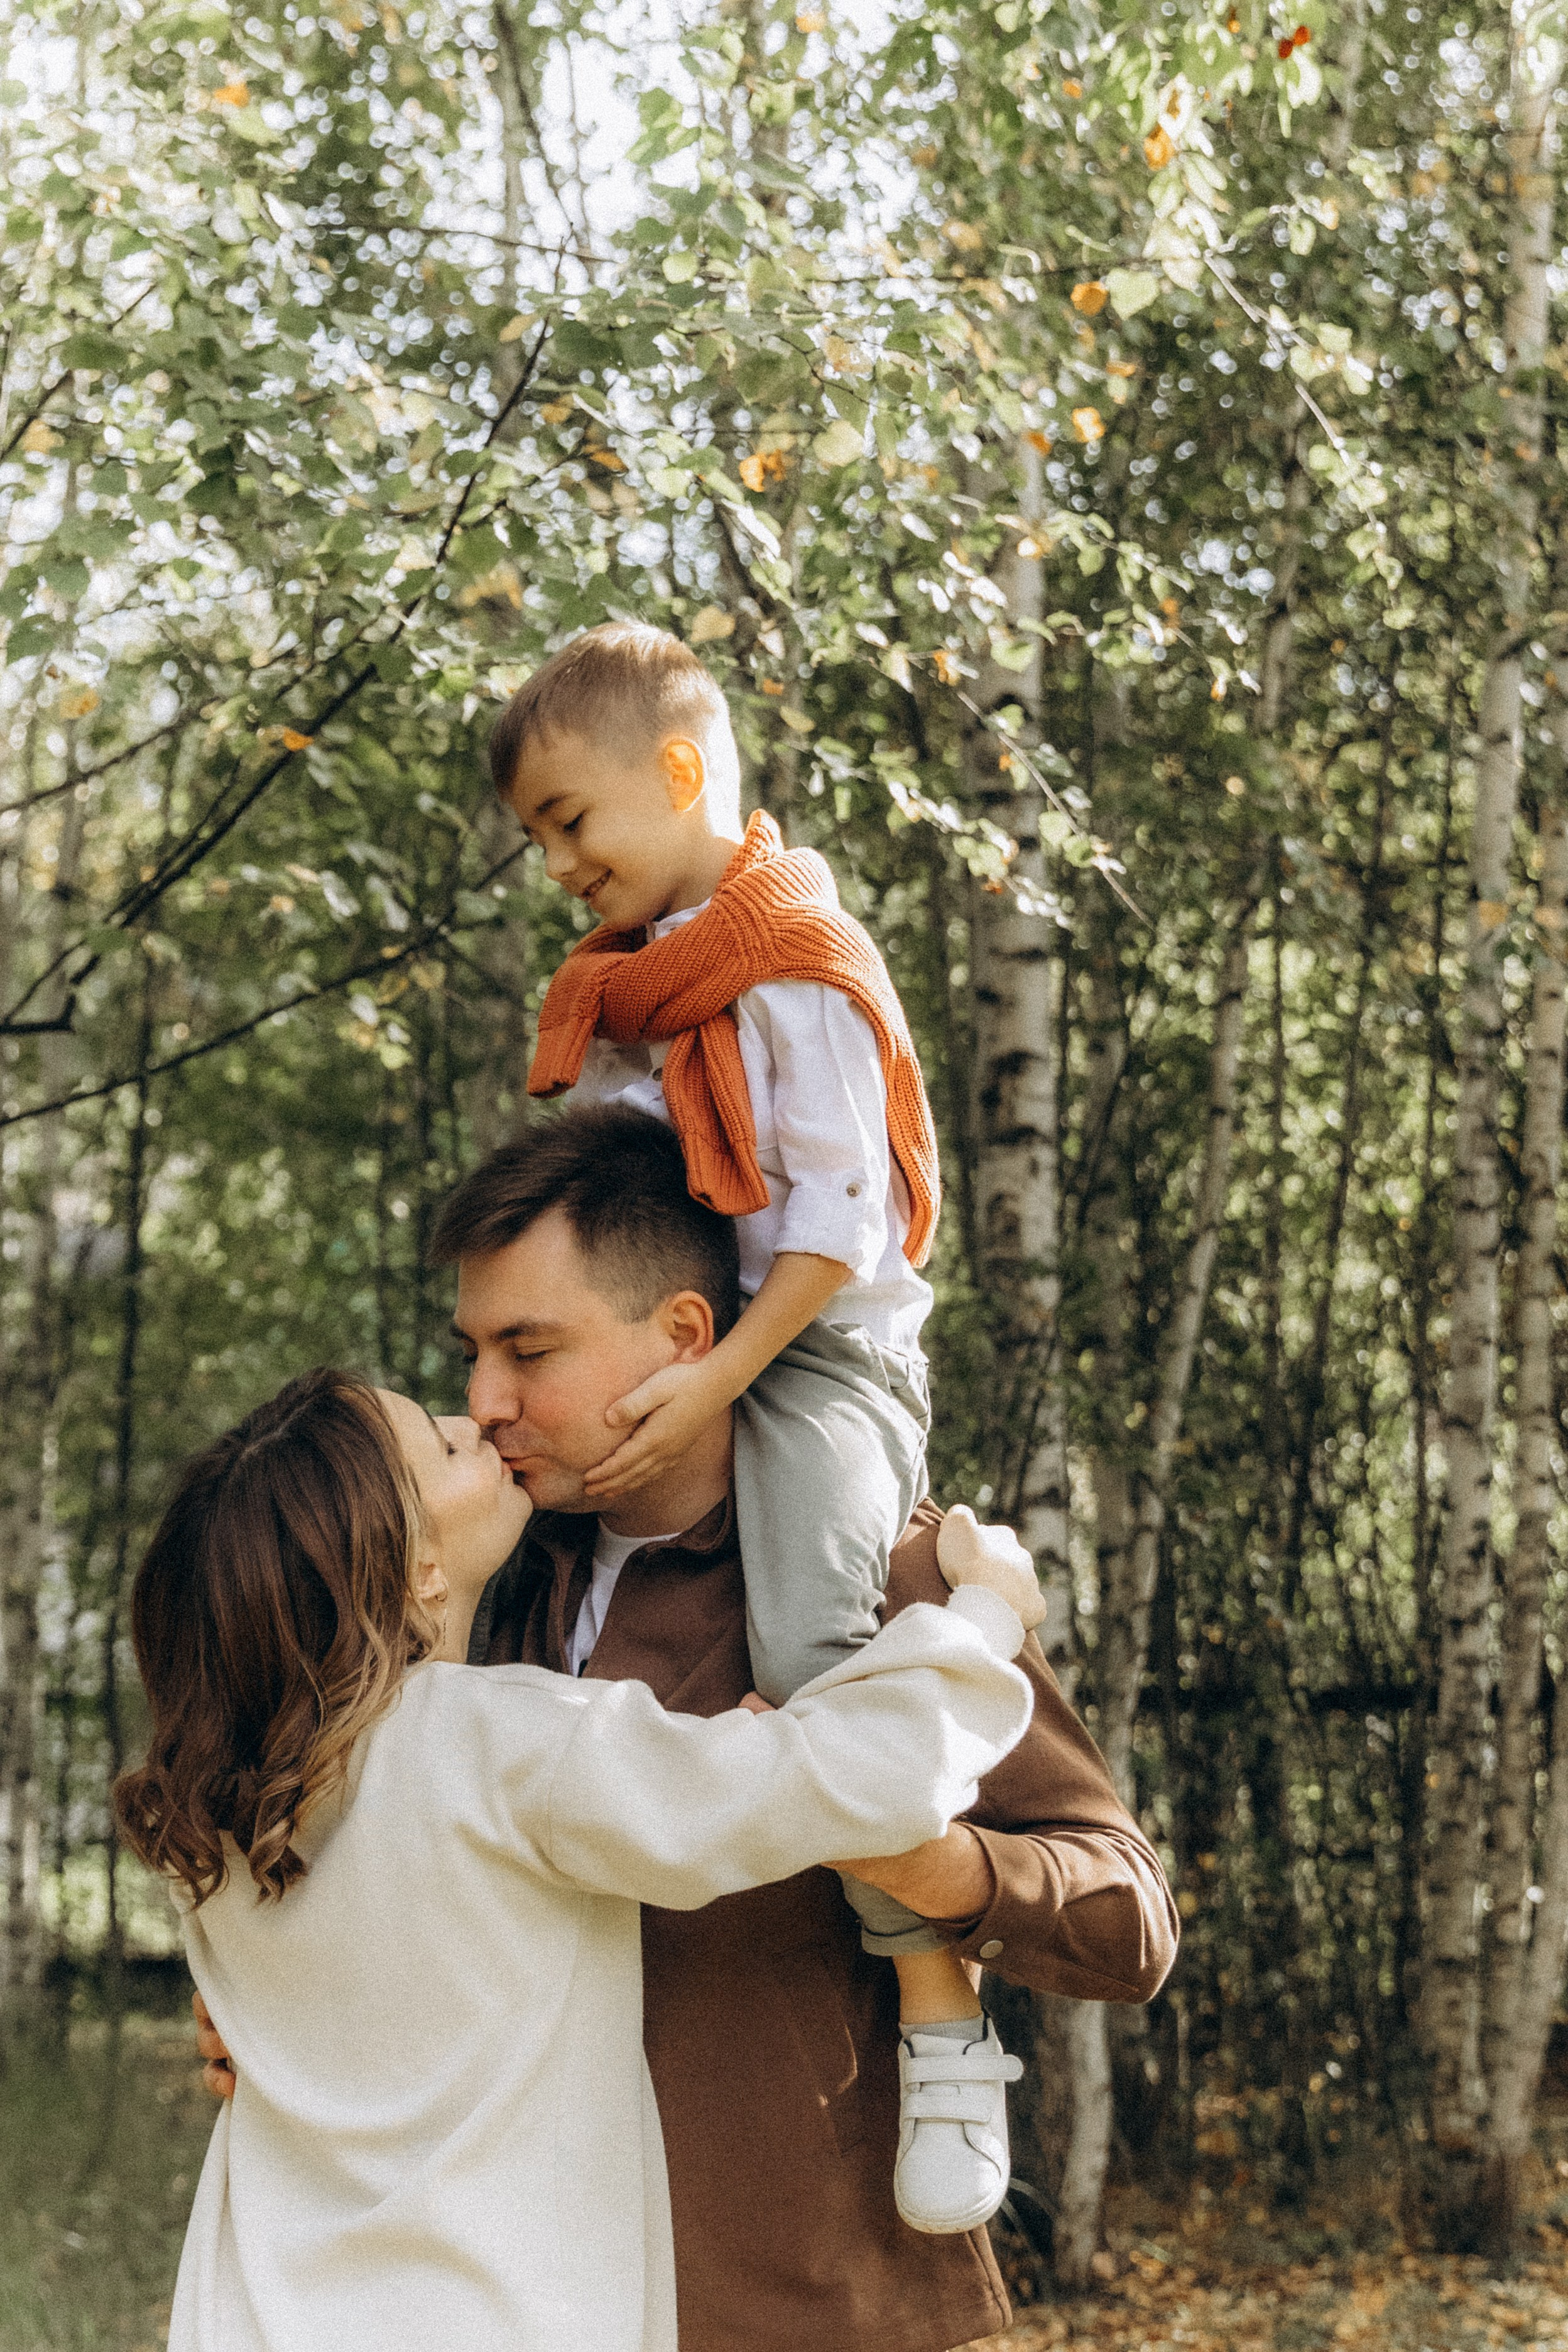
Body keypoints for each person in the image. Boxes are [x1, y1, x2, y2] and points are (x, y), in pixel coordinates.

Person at [197, 1113, 1180, 2352]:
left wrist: (928, 1866)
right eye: (472, 1354)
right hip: (524, 2304)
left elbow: (1130, 1920)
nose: (486, 1402)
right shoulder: (474, 1588)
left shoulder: (891, 1576)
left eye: (529, 1348)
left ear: (683, 1336)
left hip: (813, 2304)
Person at [124, 1363, 1042, 2352]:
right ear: (417, 1570)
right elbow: (855, 1779)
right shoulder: (501, 1747)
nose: (472, 1418)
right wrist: (985, 1616)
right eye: (440, 1446)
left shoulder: (211, 1823)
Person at [491, 619, 1011, 2231]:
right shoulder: (653, 994)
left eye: (572, 820)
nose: (558, 863)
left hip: (826, 1352)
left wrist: (713, 1383)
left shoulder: (797, 972)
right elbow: (631, 1194)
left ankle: (941, 2005)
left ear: (679, 769)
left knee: (812, 1636)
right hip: (715, 1335)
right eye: (536, 840)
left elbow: (839, 1237)